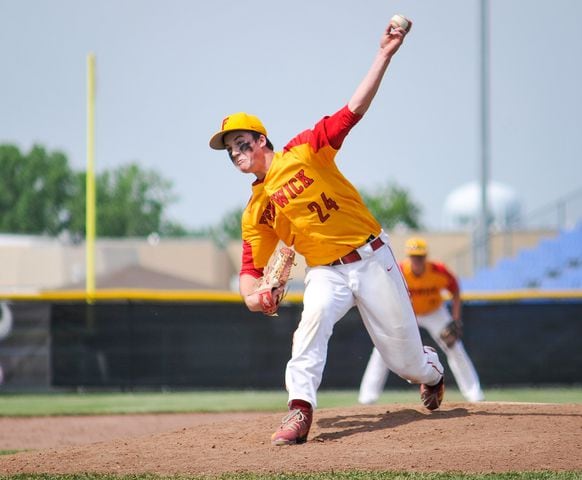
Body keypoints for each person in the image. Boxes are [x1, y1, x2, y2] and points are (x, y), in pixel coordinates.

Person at [209, 16, 445, 447]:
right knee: (310, 326)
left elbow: (351, 111)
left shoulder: (303, 151)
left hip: (371, 257)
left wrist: (383, 55)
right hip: (325, 272)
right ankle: (300, 411)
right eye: (229, 150)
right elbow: (250, 267)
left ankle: (430, 369)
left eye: (242, 141)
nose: (237, 152)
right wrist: (252, 296)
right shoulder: (255, 209)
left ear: (262, 140)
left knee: (405, 362)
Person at [358, 237, 484, 405]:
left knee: (454, 346)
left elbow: (455, 290)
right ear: (408, 257)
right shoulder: (399, 270)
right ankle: (367, 397)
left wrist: (455, 319)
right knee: (383, 348)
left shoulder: (438, 270)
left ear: (426, 257)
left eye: (420, 256)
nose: (417, 260)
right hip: (408, 313)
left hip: (434, 312)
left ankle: (474, 393)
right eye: (413, 256)